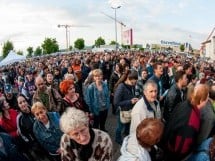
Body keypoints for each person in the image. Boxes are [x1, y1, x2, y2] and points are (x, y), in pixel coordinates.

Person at [162, 84, 209, 161]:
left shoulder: (185, 103)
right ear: (201, 101)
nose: (207, 101)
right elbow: (181, 148)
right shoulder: (191, 121)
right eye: (206, 99)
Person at [16, 94, 49, 161]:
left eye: (24, 101)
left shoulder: (34, 109)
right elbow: (23, 135)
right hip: (37, 146)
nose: (23, 104)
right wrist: (33, 144)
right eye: (20, 103)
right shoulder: (20, 119)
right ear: (18, 105)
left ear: (27, 101)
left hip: (47, 139)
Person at [114, 69, 139, 145]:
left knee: (128, 124)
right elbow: (116, 102)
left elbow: (131, 95)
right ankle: (117, 139)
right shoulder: (121, 87)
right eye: (134, 80)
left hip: (130, 110)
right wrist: (130, 101)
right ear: (128, 78)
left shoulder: (132, 85)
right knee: (120, 127)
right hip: (122, 111)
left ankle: (126, 134)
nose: (136, 82)